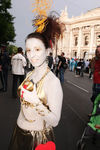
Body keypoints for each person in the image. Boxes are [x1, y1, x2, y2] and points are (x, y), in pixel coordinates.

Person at [8, 15, 63, 150]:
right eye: (28, 50)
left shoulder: (53, 82)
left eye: (37, 49)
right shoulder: (29, 74)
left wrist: (36, 102)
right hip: (18, 131)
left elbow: (55, 121)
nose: (32, 55)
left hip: (38, 138)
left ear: (48, 51)